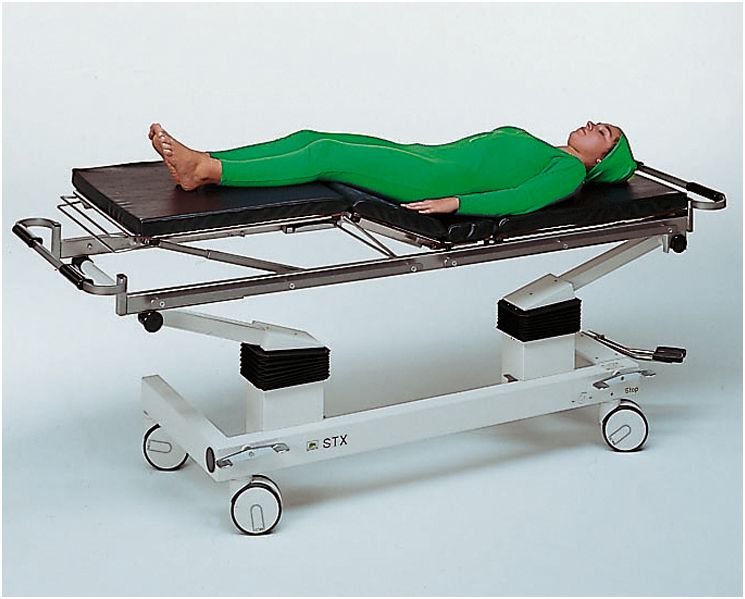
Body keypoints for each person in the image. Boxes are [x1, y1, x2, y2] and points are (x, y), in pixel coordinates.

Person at [148, 120, 637, 217]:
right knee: (310, 138)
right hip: (422, 156)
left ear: (601, 160)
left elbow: (520, 200)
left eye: (603, 133)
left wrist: (456, 204)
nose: (592, 124)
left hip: (431, 179)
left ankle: (207, 171)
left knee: (325, 155)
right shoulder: (549, 149)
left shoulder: (568, 171)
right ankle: (207, 159)